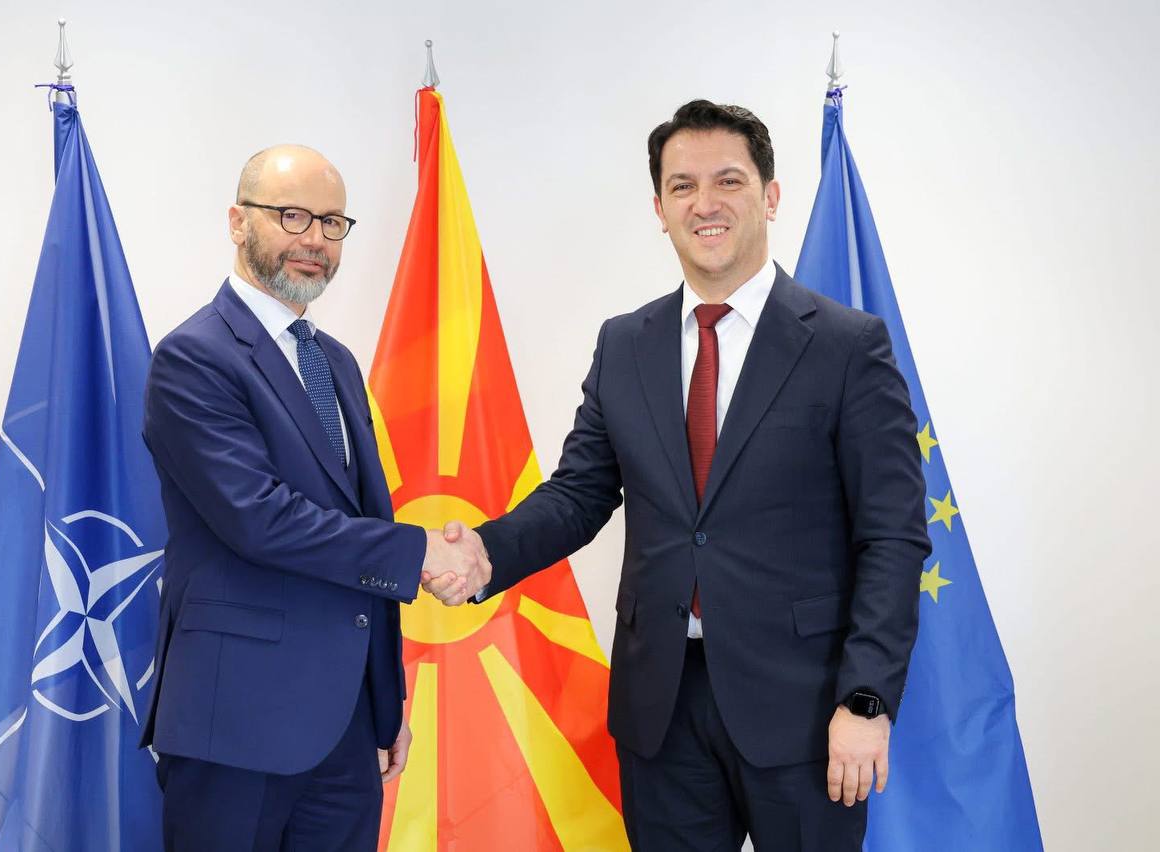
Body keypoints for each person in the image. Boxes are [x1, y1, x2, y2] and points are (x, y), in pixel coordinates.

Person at [425, 101, 930, 851]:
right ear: (660, 210)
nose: (705, 203)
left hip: (807, 709)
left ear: (771, 195)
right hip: (660, 707)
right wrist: (485, 552)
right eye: (682, 186)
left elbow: (892, 536)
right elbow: (579, 494)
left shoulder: (848, 346)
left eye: (729, 180)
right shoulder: (625, 343)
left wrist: (866, 699)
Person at [139, 144, 488, 851]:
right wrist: (419, 551)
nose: (315, 240)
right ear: (238, 221)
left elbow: (357, 521)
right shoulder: (194, 356)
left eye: (332, 223)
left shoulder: (335, 362)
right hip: (234, 727)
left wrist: (383, 704)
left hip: (345, 731)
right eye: (292, 216)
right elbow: (260, 519)